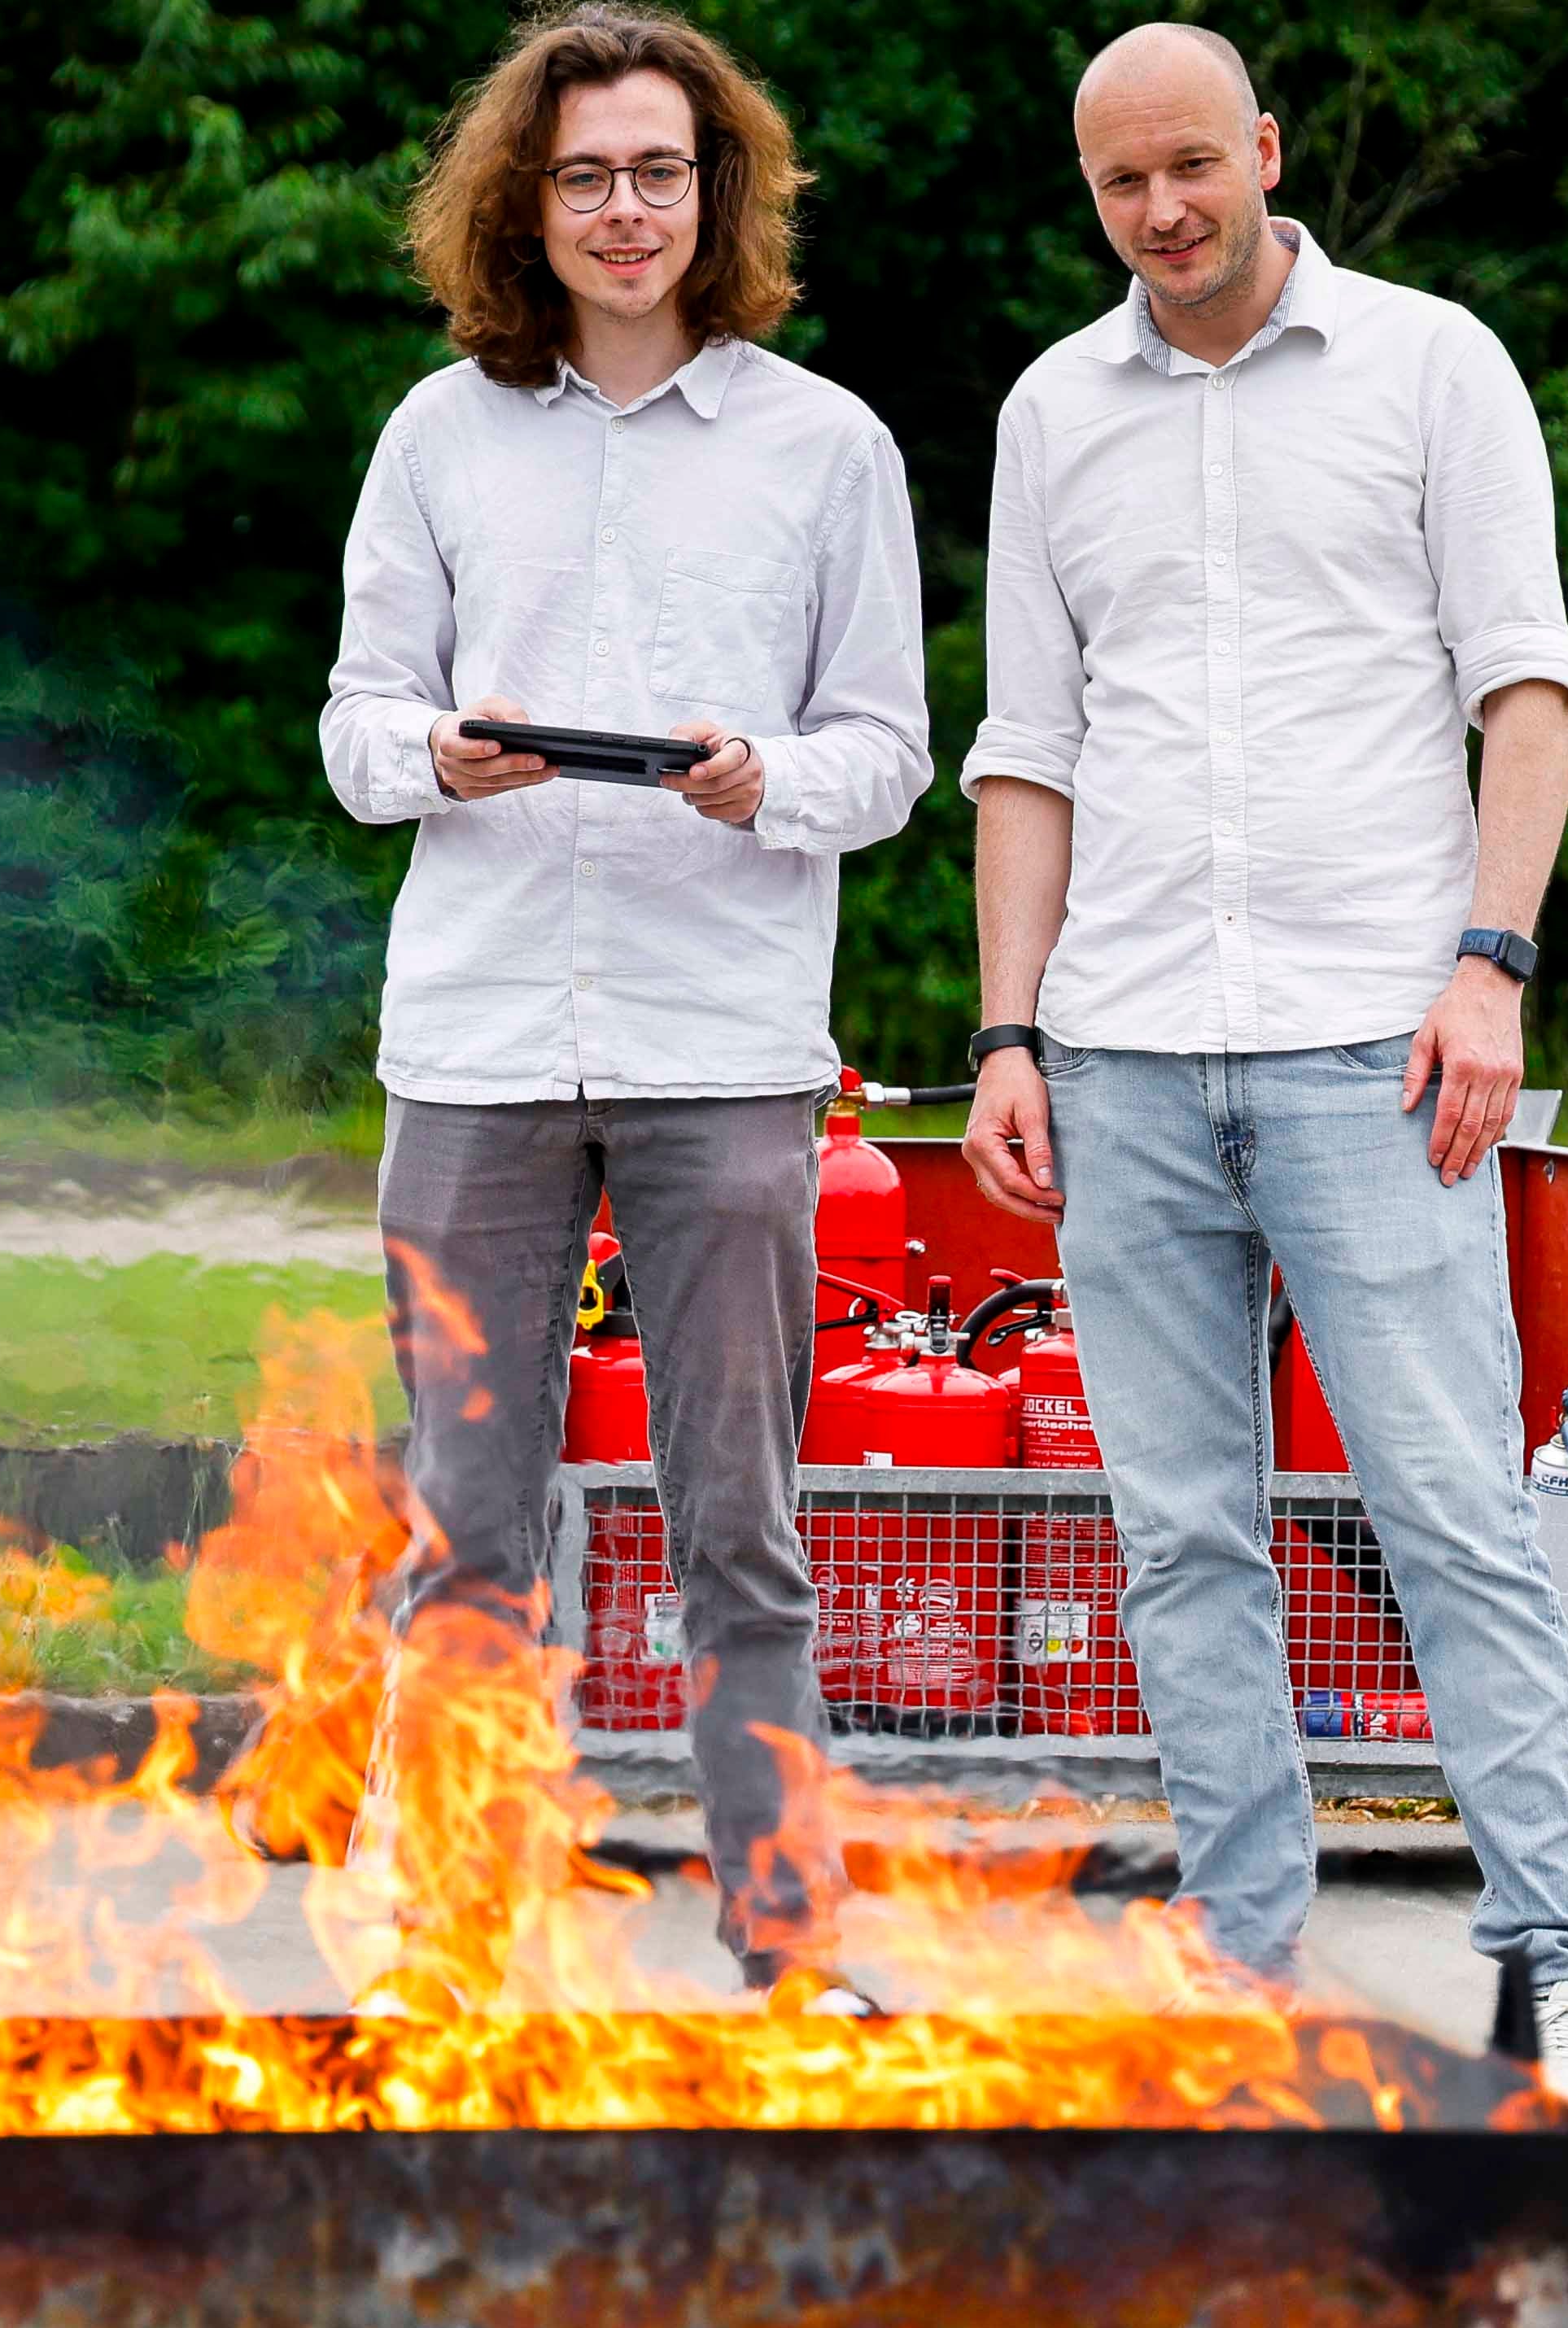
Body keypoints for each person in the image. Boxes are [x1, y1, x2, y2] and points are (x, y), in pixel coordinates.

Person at [955, 22, 1568, 2118]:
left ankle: (1557, 1968)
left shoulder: (1435, 367)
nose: (1164, 210)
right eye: (1121, 183)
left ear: (1262, 147)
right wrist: (1008, 1025)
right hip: (1127, 1054)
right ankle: (1241, 1962)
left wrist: (1490, 966)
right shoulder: (1054, 412)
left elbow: (1528, 687)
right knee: (1182, 1538)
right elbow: (1030, 750)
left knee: (1453, 1515)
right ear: (1091, 194)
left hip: (1377, 1044)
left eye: (1192, 164)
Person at [315, 2, 926, 2009]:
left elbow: (888, 755)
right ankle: (445, 1945)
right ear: (526, 202)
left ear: (716, 191)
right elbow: (356, 725)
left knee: (741, 1529)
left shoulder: (826, 446)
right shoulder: (438, 434)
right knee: (468, 1535)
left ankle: (790, 1943)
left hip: (723, 1046)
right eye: (584, 175)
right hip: (478, 1045)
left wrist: (765, 781)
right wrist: (439, 755)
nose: (625, 209)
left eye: (660, 170)